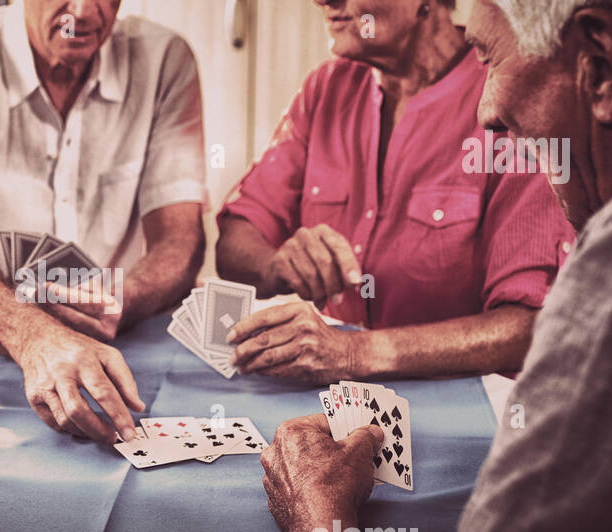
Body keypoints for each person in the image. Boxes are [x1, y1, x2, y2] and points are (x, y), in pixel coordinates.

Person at [262, 0, 612, 532]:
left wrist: (318, 521)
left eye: (489, 55)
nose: (486, 115)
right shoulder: (327, 86)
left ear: (601, 67)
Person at [0, 0, 207, 444]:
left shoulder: (166, 60)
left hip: (111, 343)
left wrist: (126, 297)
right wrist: (36, 337)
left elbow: (181, 239)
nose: (84, 11)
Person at [217, 0, 574, 384]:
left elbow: (529, 324)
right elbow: (235, 239)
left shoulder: (504, 96)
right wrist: (275, 265)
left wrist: (354, 352)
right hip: (336, 403)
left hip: (464, 414)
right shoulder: (325, 88)